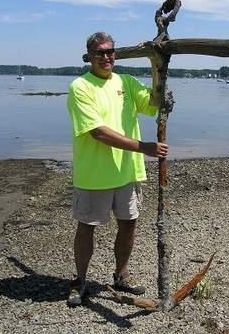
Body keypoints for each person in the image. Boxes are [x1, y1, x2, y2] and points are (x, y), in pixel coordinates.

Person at [67, 31, 168, 306]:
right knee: (87, 226)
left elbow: (154, 102)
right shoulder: (80, 86)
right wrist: (143, 147)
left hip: (127, 172)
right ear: (89, 56)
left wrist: (157, 63)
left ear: (116, 53)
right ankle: (80, 280)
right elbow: (97, 132)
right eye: (99, 52)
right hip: (94, 173)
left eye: (110, 51)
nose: (106, 56)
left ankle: (121, 275)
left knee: (129, 224)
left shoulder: (127, 82)